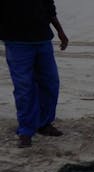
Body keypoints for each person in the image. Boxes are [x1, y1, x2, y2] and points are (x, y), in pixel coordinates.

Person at [0, 0, 68, 148]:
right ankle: (26, 130)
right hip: (16, 42)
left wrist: (60, 31)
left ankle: (44, 124)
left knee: (51, 83)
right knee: (24, 88)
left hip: (43, 39)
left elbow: (49, 8)